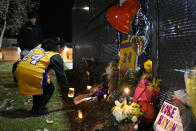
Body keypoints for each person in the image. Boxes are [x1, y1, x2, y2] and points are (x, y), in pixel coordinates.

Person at [14, 38, 69, 116]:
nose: (62, 52)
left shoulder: (39, 46)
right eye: (62, 49)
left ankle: (37, 107)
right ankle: (37, 110)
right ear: (59, 46)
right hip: (33, 73)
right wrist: (69, 93)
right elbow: (61, 77)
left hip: (19, 70)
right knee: (49, 89)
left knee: (40, 88)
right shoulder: (55, 56)